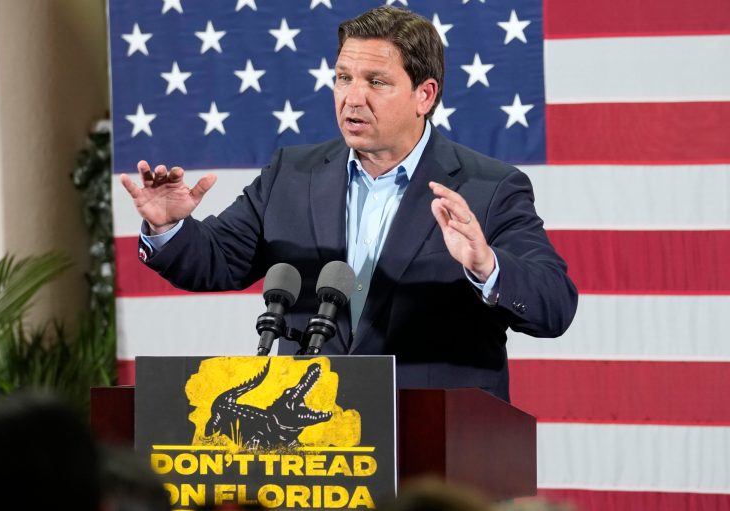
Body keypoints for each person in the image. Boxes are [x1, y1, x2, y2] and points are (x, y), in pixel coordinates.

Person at [120, 6, 578, 402]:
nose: (352, 98)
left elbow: (555, 305)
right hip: (314, 437)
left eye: (376, 81)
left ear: (424, 95)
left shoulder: (488, 188)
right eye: (343, 78)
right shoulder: (291, 174)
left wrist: (486, 266)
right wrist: (168, 228)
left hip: (434, 440)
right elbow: (217, 261)